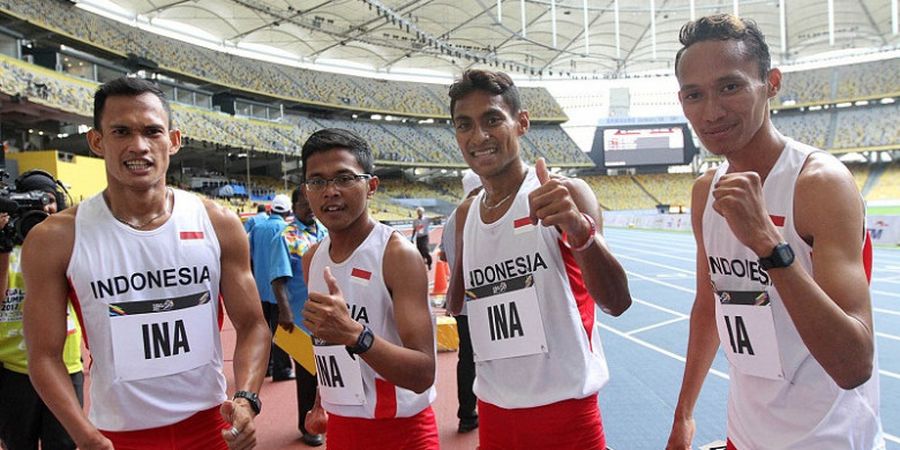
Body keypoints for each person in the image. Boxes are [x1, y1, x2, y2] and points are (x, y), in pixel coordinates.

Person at [666, 14, 883, 450]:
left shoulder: (818, 184)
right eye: (695, 95)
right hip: (745, 437)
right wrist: (684, 413)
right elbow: (710, 307)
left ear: (772, 83)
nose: (711, 111)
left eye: (730, 86)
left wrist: (768, 243)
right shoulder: (704, 192)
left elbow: (853, 362)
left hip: (828, 440)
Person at [22, 76, 271, 450]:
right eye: (121, 131)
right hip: (114, 436)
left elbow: (253, 325)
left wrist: (247, 399)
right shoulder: (55, 239)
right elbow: (42, 355)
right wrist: (83, 434)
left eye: (152, 131)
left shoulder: (218, 223)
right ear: (96, 141)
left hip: (213, 429)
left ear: (173, 140)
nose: (138, 146)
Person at [446, 69, 632, 450]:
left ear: (522, 123)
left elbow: (617, 302)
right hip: (494, 413)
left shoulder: (565, 193)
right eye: (465, 125)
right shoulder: (466, 215)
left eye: (493, 119)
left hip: (565, 416)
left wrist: (582, 236)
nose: (478, 137)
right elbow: (458, 304)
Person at [299, 128, 439, 449]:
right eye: (317, 181)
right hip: (342, 432)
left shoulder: (396, 256)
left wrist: (356, 335)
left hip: (401, 433)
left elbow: (423, 373)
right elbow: (328, 345)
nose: (330, 191)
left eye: (344, 178)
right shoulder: (312, 259)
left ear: (370, 185)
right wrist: (325, 395)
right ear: (307, 191)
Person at [0, 171, 81, 450]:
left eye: (48, 201)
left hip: (67, 366)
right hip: (13, 370)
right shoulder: (5, 246)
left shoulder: (69, 244)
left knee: (64, 444)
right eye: (32, 204)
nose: (42, 210)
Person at [270, 186, 328, 447]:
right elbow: (278, 279)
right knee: (307, 375)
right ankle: (306, 426)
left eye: (311, 203)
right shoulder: (286, 235)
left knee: (329, 370)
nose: (309, 208)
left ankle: (326, 416)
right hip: (302, 317)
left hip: (328, 315)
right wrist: (285, 311)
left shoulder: (325, 231)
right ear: (294, 207)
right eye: (304, 204)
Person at [438, 170, 481, 434]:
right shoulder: (481, 210)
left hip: (461, 301)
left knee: (467, 358)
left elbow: (443, 254)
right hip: (484, 299)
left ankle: (467, 412)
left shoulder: (452, 217)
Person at [249, 193, 295, 381]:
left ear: (271, 209)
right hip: (280, 290)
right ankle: (281, 369)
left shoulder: (257, 228)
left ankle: (265, 367)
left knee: (263, 330)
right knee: (281, 331)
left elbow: (250, 256)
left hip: (259, 287)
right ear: (288, 211)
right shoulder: (287, 230)